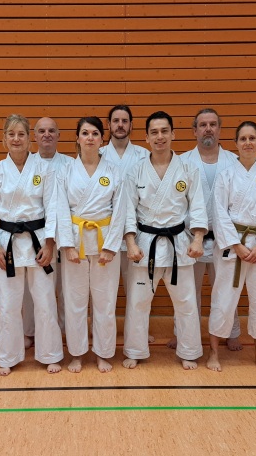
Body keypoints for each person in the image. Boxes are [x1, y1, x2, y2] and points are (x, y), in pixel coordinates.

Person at [122, 111, 206, 370]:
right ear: (146, 138)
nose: (160, 137)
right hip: (145, 245)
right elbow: (128, 210)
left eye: (164, 131)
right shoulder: (135, 171)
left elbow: (198, 207)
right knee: (138, 302)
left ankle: (189, 350)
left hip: (179, 244)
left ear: (173, 134)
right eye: (154, 132)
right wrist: (131, 243)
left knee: (186, 302)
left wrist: (198, 239)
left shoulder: (188, 169)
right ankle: (135, 350)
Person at [0, 114, 64, 376]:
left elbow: (53, 208)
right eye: (11, 134)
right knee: (8, 304)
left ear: (30, 139)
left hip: (39, 241)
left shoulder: (45, 170)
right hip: (7, 243)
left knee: (45, 300)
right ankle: (8, 356)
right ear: (4, 139)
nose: (16, 139)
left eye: (21, 134)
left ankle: (50, 354)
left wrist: (50, 244)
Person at [208, 121, 256, 372]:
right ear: (236, 144)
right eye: (243, 139)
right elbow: (218, 213)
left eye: (252, 138)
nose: (248, 143)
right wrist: (236, 245)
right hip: (232, 247)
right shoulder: (226, 175)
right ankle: (214, 353)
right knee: (223, 299)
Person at [56, 116, 126, 373]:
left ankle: (103, 353)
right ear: (77, 138)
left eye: (95, 133)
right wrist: (67, 245)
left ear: (101, 139)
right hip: (76, 242)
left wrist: (111, 246)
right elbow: (60, 209)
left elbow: (120, 210)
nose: (90, 138)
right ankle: (76, 353)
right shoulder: (65, 171)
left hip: (104, 240)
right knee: (75, 301)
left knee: (105, 302)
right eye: (85, 133)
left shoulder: (114, 171)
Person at [177, 108, 242, 352]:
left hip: (224, 239)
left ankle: (231, 332)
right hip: (190, 238)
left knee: (226, 289)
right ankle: (182, 333)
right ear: (194, 131)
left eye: (213, 124)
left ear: (219, 129)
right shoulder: (182, 162)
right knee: (187, 292)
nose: (208, 129)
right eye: (203, 125)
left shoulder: (234, 162)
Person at [100, 105, 153, 342]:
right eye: (116, 121)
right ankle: (105, 335)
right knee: (105, 291)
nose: (120, 125)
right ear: (109, 125)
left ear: (131, 125)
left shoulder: (144, 155)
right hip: (105, 233)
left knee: (138, 289)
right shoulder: (98, 153)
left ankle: (138, 334)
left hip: (137, 232)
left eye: (124, 121)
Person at [21, 117, 73, 347]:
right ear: (34, 136)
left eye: (52, 130)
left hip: (68, 234)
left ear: (59, 135)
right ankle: (30, 331)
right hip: (38, 236)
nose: (47, 134)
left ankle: (64, 331)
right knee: (33, 289)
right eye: (41, 131)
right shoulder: (26, 164)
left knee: (66, 287)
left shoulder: (71, 164)